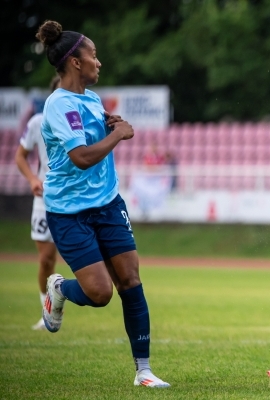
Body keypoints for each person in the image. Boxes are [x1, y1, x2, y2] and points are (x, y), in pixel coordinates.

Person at [35, 20, 169, 387]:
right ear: (75, 62)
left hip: (108, 204)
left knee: (131, 280)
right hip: (68, 211)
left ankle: (143, 371)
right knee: (99, 293)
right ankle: (60, 290)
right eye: (93, 54)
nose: (98, 61)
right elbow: (79, 157)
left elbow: (99, 137)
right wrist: (120, 135)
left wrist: (113, 126)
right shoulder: (58, 105)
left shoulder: (91, 100)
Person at [14, 75, 61, 330]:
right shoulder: (37, 123)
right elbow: (20, 156)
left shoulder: (79, 122)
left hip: (74, 199)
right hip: (45, 199)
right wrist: (32, 178)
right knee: (46, 259)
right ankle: (47, 310)